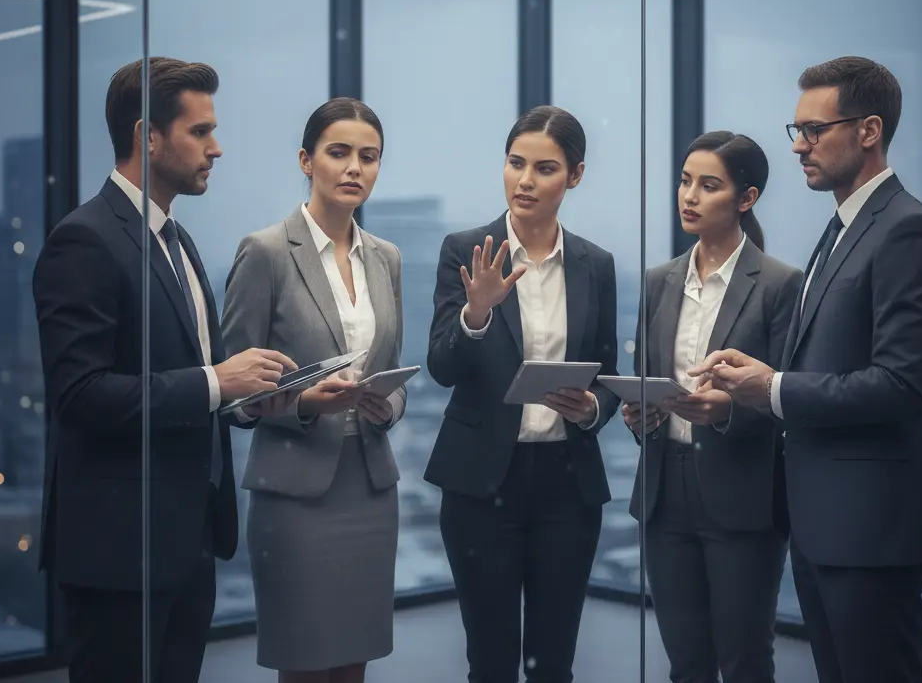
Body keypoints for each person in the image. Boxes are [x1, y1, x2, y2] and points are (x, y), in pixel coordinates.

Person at [691, 57, 922, 683]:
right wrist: (761, 375)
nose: (800, 147)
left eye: (815, 130)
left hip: (871, 529)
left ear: (869, 130)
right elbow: (829, 358)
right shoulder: (843, 227)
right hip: (823, 524)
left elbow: (902, 386)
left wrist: (774, 387)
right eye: (797, 130)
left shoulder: (908, 230)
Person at [33, 58, 298, 683]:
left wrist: (250, 399)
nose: (217, 148)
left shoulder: (176, 240)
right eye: (200, 132)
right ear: (148, 137)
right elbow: (80, 396)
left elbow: (194, 382)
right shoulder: (85, 240)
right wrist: (218, 381)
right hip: (118, 552)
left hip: (186, 543)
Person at [424, 106, 620, 683]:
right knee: (490, 659)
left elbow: (605, 371)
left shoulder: (596, 265)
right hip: (483, 483)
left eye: (545, 168)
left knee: (554, 661)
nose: (526, 181)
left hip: (567, 481)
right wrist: (476, 312)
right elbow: (441, 366)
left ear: (575, 176)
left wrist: (593, 410)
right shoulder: (466, 250)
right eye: (516, 164)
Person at [221, 97, 405, 683]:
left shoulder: (387, 259)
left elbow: (395, 371)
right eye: (339, 153)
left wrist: (387, 401)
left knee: (355, 662)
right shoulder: (266, 252)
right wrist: (302, 404)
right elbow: (232, 393)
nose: (355, 168)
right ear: (306, 160)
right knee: (302, 661)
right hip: (295, 492)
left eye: (368, 157)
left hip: (371, 486)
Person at [624, 131, 801, 683]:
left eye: (708, 185)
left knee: (745, 659)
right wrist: (640, 413)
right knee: (686, 662)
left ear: (746, 199)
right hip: (664, 491)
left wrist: (726, 411)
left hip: (743, 492)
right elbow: (645, 379)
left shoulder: (779, 285)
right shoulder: (657, 282)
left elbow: (786, 398)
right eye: (684, 181)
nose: (689, 196)